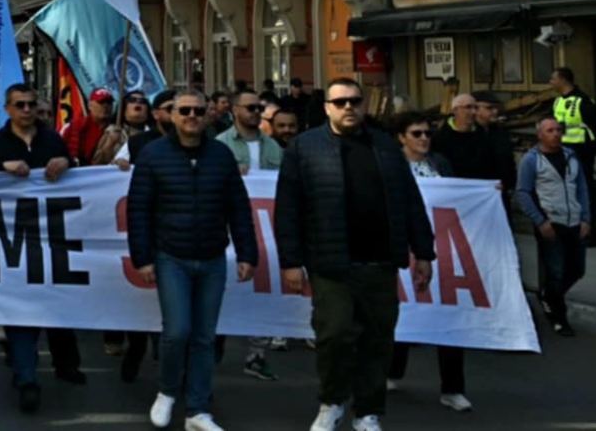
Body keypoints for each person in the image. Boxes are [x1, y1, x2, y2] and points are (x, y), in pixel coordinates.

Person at [275, 77, 435, 431]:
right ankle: (331, 402)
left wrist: (423, 252)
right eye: (340, 102)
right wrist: (290, 261)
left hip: (380, 262)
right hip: (330, 263)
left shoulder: (385, 146)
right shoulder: (305, 147)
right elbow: (288, 208)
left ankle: (367, 412)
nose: (348, 107)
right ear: (327, 108)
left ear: (363, 105)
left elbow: (410, 200)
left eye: (355, 101)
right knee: (333, 336)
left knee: (378, 340)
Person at [129, 89, 257, 431]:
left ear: (208, 115)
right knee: (177, 331)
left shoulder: (221, 155)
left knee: (205, 337)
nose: (191, 116)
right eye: (184, 110)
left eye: (198, 111)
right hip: (171, 256)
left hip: (213, 257)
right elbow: (138, 210)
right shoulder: (153, 155)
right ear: (171, 115)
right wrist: (142, 257)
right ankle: (168, 390)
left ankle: (197, 410)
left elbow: (238, 207)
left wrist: (247, 252)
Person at [0, 83, 79, 412]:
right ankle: (26, 378)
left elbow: (77, 176)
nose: (26, 110)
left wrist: (66, 162)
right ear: (7, 109)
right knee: (21, 311)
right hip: (12, 243)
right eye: (19, 104)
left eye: (31, 104)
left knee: (52, 305)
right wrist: (0, 168)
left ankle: (61, 364)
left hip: (52, 241)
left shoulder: (51, 140)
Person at [385, 112, 470, 412]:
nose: (424, 139)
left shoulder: (440, 164)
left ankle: (453, 388)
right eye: (416, 133)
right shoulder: (389, 165)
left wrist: (485, 193)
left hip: (443, 250)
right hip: (403, 249)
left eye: (427, 133)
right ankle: (392, 371)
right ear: (401, 137)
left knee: (447, 315)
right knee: (404, 312)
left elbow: (458, 196)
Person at [216, 88, 283, 382]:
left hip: (265, 229)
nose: (256, 113)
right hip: (227, 228)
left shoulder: (273, 147)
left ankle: (257, 355)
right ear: (235, 111)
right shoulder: (220, 145)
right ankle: (214, 343)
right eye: (250, 108)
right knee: (223, 288)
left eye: (259, 108)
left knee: (263, 288)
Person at [516, 116, 591, 336]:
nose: (556, 134)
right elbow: (523, 192)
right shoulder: (532, 160)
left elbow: (582, 188)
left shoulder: (570, 156)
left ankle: (548, 296)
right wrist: (540, 220)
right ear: (539, 134)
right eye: (550, 130)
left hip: (574, 221)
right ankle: (559, 317)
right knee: (555, 272)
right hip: (551, 222)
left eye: (558, 130)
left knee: (577, 269)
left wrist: (586, 218)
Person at [549, 67, 596, 240]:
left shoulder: (582, 100)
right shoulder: (557, 101)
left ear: (563, 80)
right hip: (561, 150)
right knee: (565, 190)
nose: (551, 82)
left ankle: (591, 232)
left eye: (553, 79)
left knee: (585, 190)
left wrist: (591, 146)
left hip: (581, 150)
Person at [431, 93, 502, 187]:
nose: (473, 112)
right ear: (455, 110)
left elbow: (493, 165)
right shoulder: (440, 138)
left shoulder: (484, 135)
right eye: (468, 107)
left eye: (475, 108)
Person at [471, 92, 517, 196]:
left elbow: (508, 161)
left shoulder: (501, 133)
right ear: (476, 109)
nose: (495, 112)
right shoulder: (468, 134)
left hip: (501, 191)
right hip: (478, 192)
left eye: (496, 108)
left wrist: (509, 184)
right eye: (489, 108)